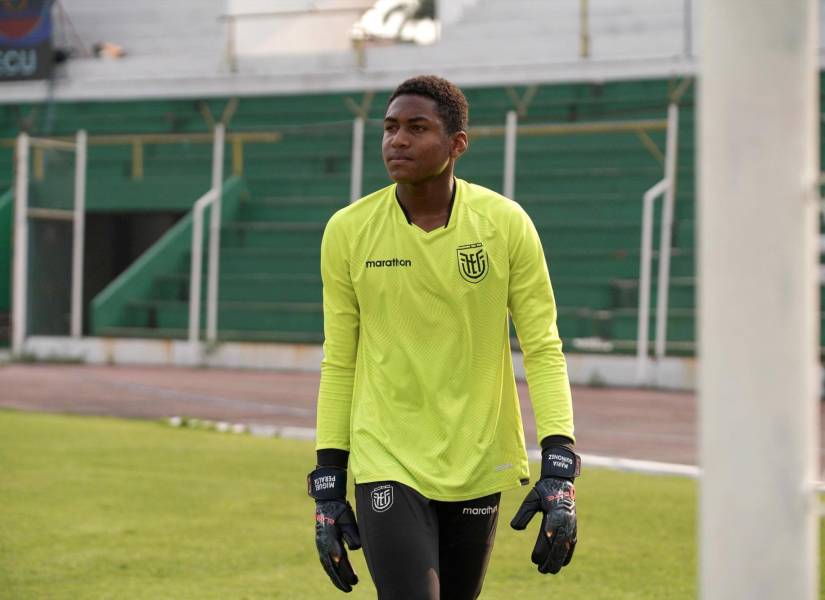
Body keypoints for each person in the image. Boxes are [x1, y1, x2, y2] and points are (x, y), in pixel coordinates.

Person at [307, 75, 578, 599]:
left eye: (417, 128)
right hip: (386, 456)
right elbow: (339, 360)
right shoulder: (347, 230)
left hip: (477, 458)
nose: (397, 140)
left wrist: (560, 464)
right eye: (390, 127)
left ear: (457, 144)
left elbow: (543, 348)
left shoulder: (505, 224)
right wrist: (328, 482)